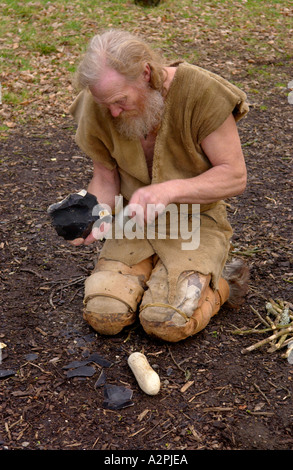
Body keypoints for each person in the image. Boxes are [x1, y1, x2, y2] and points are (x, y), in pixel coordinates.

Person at [68, 29, 249, 342]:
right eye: (105, 104)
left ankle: (225, 281)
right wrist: (91, 214)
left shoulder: (201, 93)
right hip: (133, 221)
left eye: (120, 101)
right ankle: (150, 271)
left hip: (195, 220)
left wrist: (169, 191)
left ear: (145, 73)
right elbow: (105, 178)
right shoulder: (98, 102)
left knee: (167, 322)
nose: (112, 112)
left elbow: (234, 175)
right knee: (104, 314)